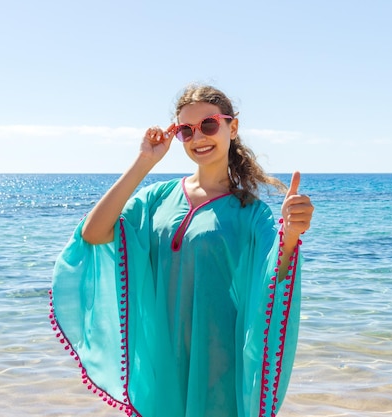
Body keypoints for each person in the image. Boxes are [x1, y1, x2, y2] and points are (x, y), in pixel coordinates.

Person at [50, 84, 314, 417]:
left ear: (232, 127)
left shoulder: (251, 213)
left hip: (217, 366)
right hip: (162, 362)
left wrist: (290, 233)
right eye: (186, 131)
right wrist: (145, 162)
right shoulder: (156, 198)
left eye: (209, 124)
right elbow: (93, 233)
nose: (199, 137)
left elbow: (275, 274)